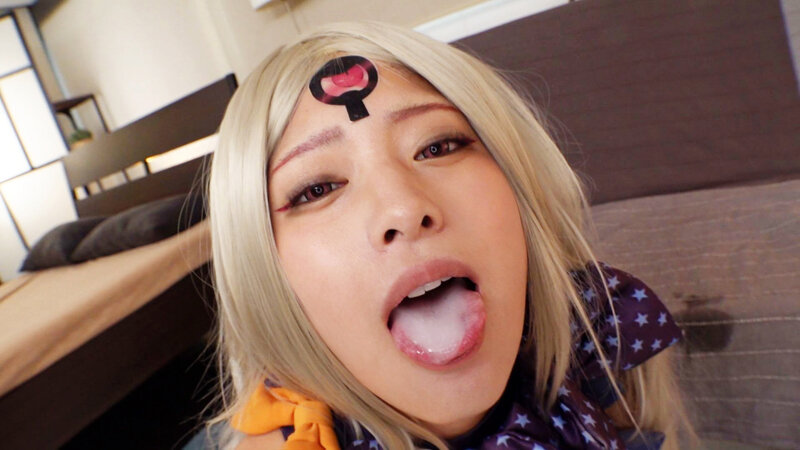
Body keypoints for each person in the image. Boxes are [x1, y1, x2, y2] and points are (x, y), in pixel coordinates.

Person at [206, 21, 691, 450]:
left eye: (438, 147)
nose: (403, 209)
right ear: (265, 276)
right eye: (318, 189)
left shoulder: (601, 366)